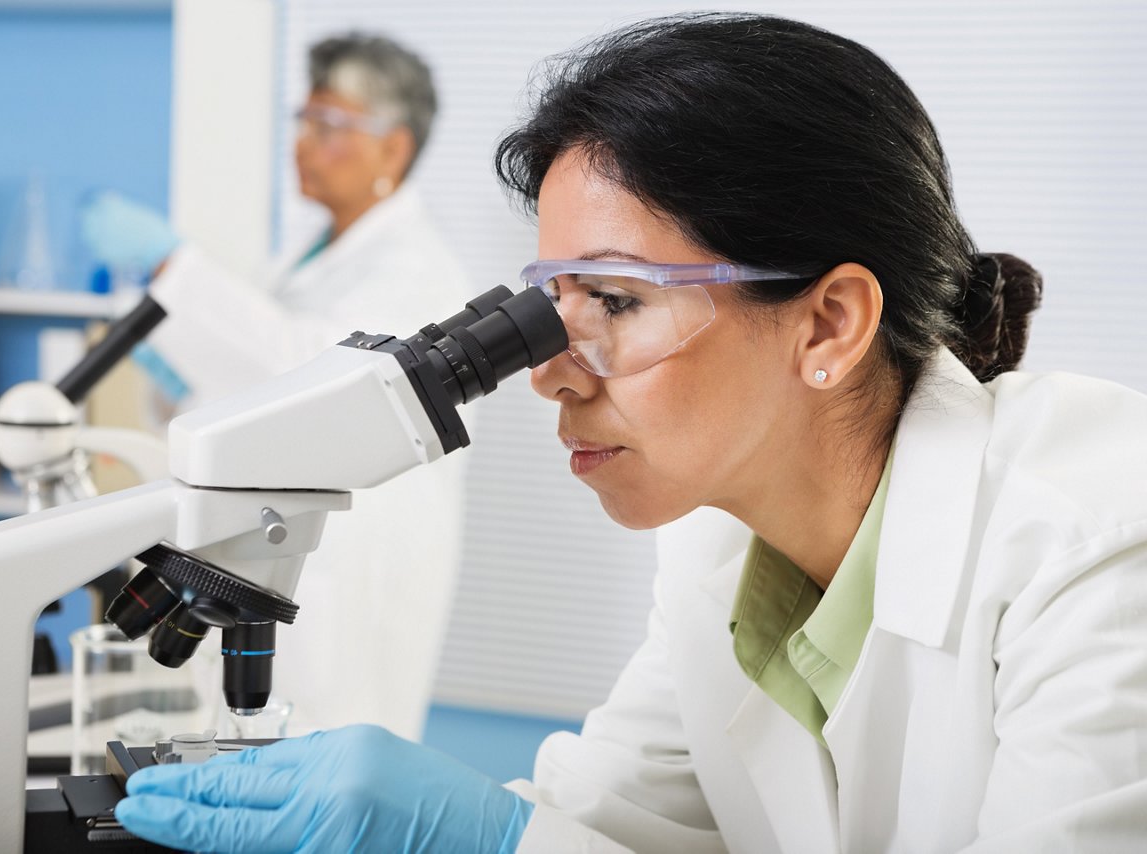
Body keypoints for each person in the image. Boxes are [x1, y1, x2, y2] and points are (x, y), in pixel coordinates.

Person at [112, 13, 1147, 853]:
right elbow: (609, 824)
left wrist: (489, 838)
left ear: (827, 322)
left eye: (613, 300)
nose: (548, 375)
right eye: (550, 308)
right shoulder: (718, 547)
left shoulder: (1098, 541)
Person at [82, 33, 471, 742]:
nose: (303, 143)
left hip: (356, 558)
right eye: (304, 120)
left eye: (330, 125)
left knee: (330, 746)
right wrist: (182, 383)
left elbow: (316, 385)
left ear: (393, 149)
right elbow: (255, 383)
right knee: (246, 735)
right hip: (276, 537)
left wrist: (176, 266)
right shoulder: (306, 250)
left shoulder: (418, 271)